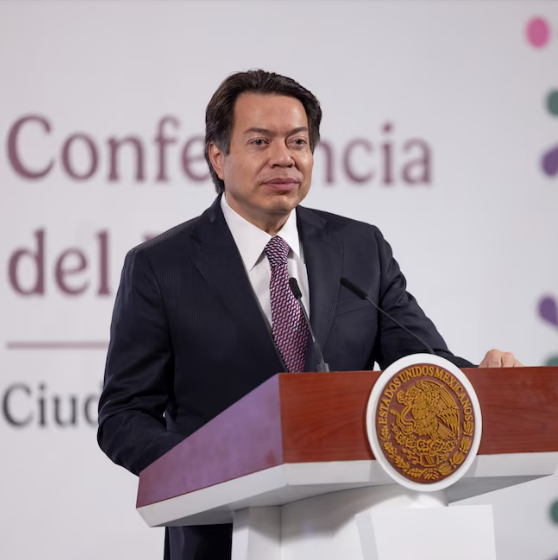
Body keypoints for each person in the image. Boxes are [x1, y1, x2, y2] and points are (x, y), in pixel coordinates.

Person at [97, 69, 523, 560]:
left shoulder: (360, 248)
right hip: (223, 538)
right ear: (218, 156)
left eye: (297, 142)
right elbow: (123, 416)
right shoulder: (160, 266)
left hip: (354, 533)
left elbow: (420, 364)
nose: (284, 157)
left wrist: (481, 381)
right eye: (260, 141)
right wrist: (207, 468)